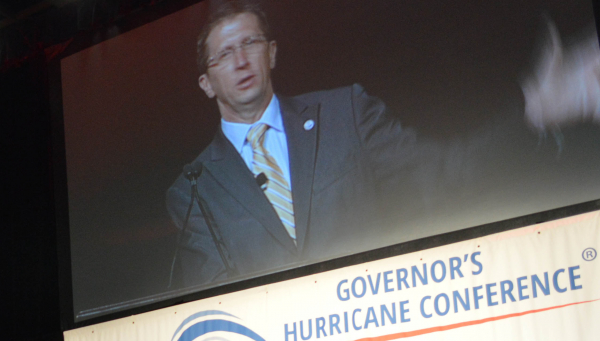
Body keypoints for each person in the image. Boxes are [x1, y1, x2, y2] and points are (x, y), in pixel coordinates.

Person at [166, 1, 600, 290]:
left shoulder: (346, 113)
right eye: (224, 54)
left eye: (250, 43)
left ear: (272, 52)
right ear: (206, 82)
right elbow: (215, 301)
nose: (241, 60)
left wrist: (536, 110)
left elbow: (442, 176)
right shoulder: (194, 189)